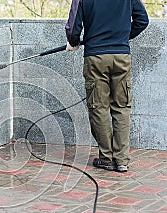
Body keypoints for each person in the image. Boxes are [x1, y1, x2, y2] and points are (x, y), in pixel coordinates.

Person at [65, 0, 149, 172]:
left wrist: (73, 42)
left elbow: (73, 28)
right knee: (122, 107)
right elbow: (142, 20)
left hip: (95, 57)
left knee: (98, 107)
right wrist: (122, 37)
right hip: (121, 56)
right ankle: (122, 160)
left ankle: (107, 159)